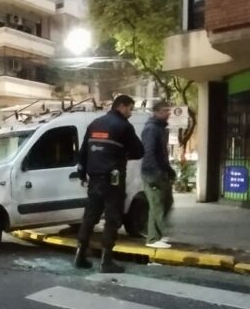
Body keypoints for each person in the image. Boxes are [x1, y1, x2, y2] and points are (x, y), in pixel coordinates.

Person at [74, 95, 145, 273]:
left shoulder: (95, 124)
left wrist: (82, 173)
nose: (130, 113)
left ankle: (80, 256)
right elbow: (139, 151)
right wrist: (123, 154)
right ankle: (106, 261)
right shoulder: (123, 126)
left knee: (90, 216)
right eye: (130, 109)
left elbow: (83, 152)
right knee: (112, 219)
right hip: (113, 179)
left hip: (94, 178)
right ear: (122, 106)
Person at [140, 101, 177, 249]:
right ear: (156, 112)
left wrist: (168, 170)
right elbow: (148, 152)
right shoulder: (151, 129)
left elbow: (162, 154)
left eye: (168, 110)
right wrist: (155, 173)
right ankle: (153, 238)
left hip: (160, 172)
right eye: (164, 110)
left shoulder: (160, 128)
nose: (168, 113)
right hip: (152, 173)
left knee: (166, 202)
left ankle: (158, 234)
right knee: (157, 204)